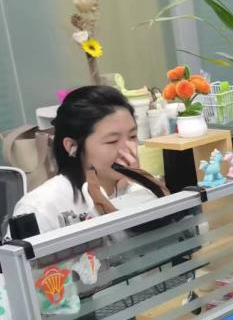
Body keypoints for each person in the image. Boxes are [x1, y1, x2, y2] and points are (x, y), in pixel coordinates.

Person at [12, 86, 155, 233]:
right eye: (112, 141)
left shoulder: (140, 189)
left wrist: (138, 188)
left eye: (132, 136)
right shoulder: (39, 209)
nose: (128, 149)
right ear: (72, 146)